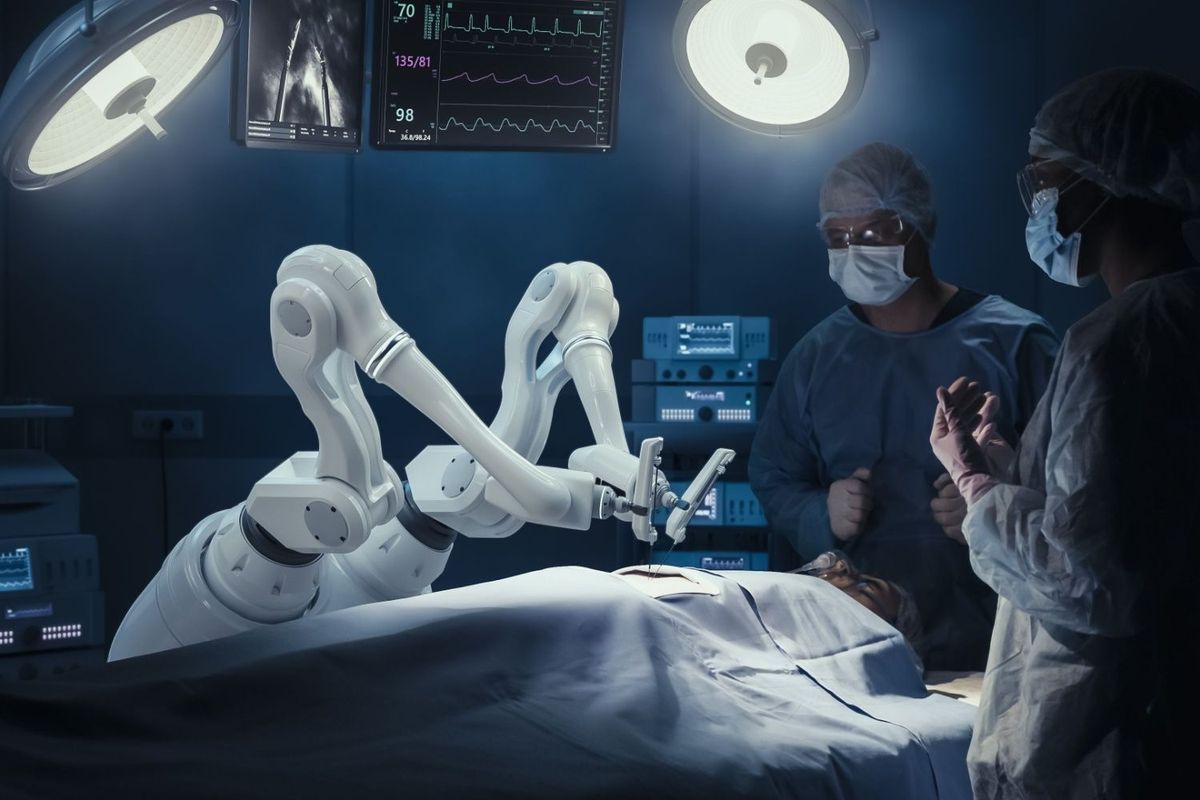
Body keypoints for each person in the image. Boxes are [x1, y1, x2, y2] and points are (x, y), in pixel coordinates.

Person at [930, 68, 1200, 799]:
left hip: (1103, 744)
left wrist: (976, 485)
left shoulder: (1116, 339)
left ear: (1105, 182)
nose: (1039, 203)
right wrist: (1016, 466)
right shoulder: (1176, 317)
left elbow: (1093, 580)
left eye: (1045, 181)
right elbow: (1135, 507)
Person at [749, 142, 1059, 671]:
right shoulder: (818, 356)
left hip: (1004, 645)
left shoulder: (1015, 341)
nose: (855, 249)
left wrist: (995, 505)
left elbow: (1080, 488)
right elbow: (775, 476)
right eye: (837, 237)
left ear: (919, 225)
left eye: (874, 233)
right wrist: (819, 512)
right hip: (857, 653)